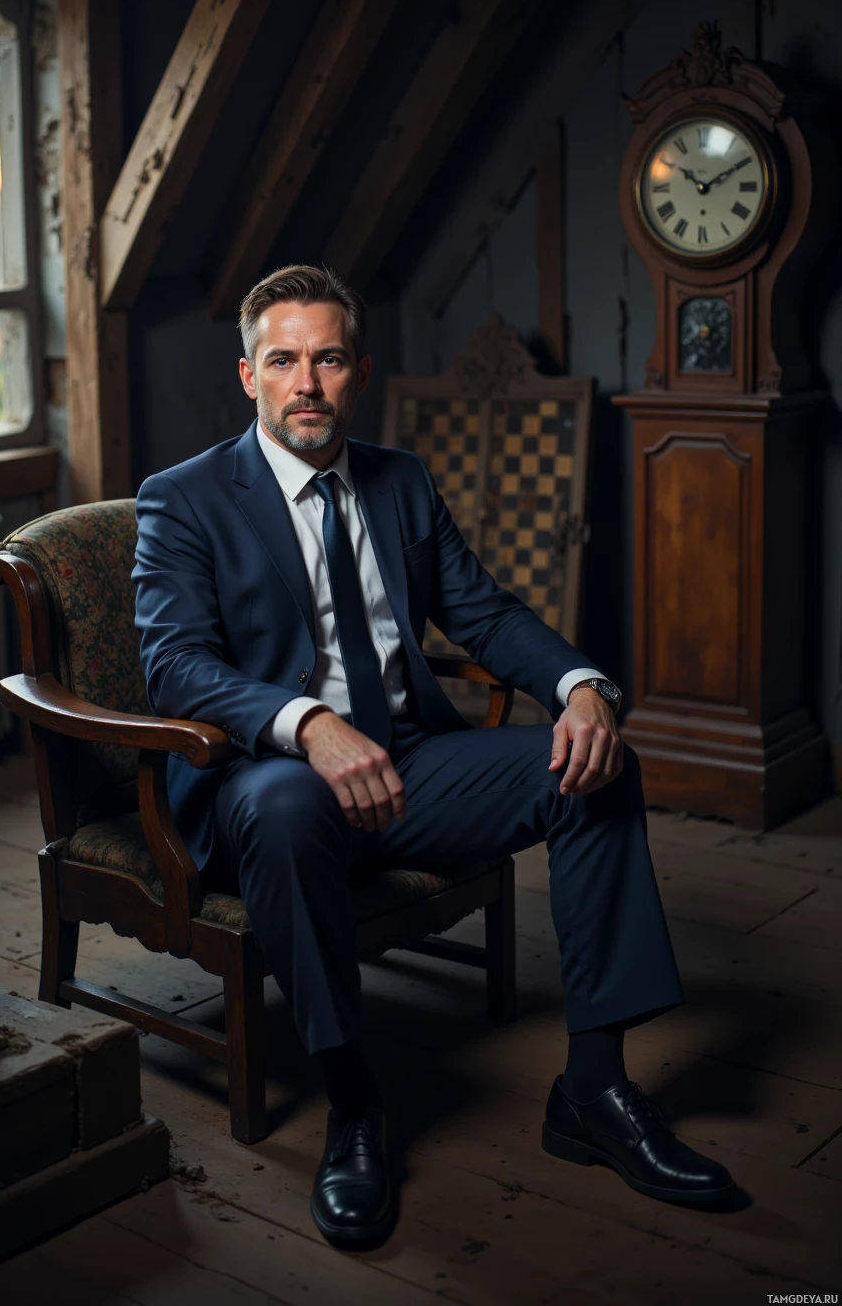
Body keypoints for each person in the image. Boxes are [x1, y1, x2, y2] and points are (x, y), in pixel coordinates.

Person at [133, 264, 734, 1248]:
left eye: (327, 358)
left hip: (410, 761)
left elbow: (482, 613)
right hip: (265, 780)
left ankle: (593, 1090)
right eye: (282, 360)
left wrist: (582, 686)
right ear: (248, 375)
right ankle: (354, 1102)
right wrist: (308, 725)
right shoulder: (185, 499)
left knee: (592, 765)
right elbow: (176, 669)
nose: (307, 383)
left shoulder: (400, 481)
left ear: (359, 370)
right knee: (287, 806)